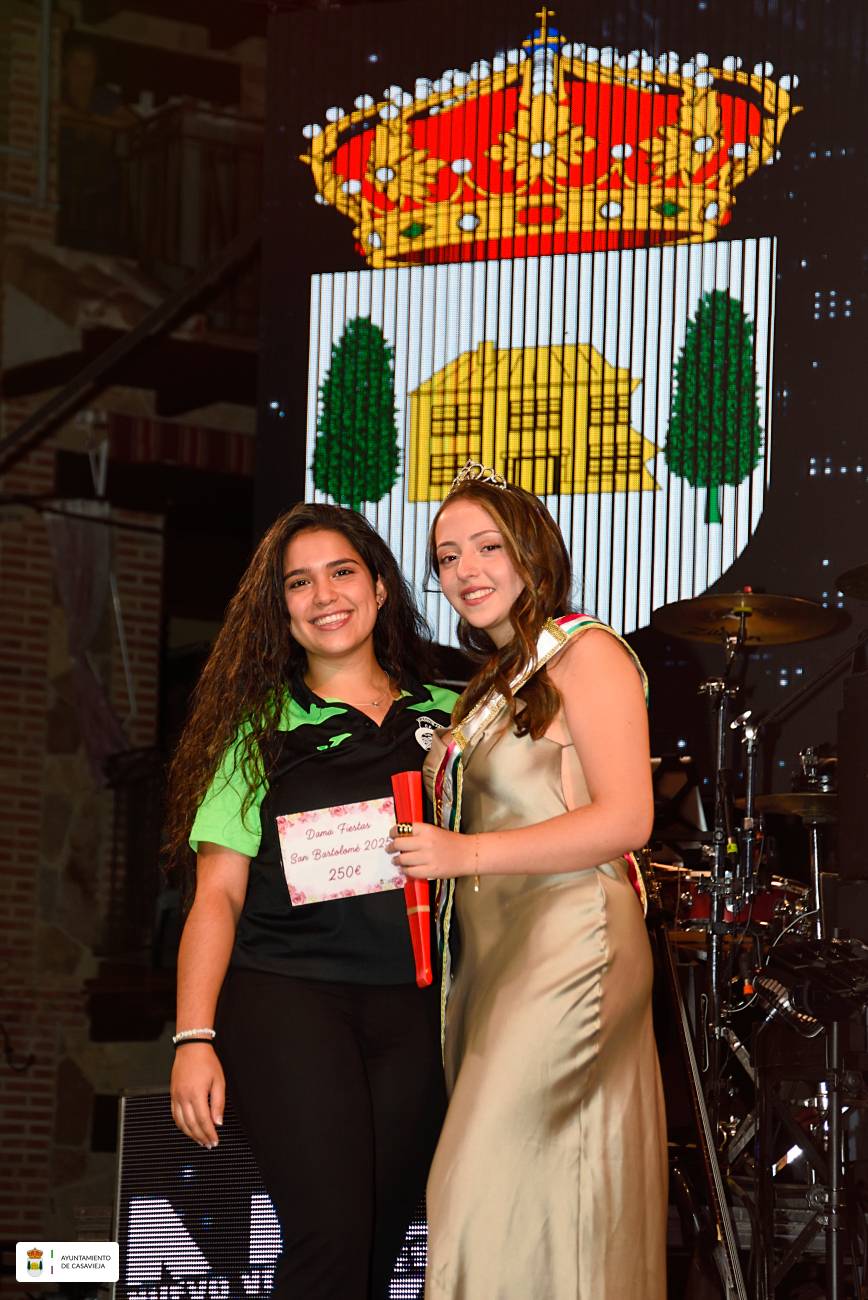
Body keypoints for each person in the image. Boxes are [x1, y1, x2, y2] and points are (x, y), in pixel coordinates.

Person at [387, 464, 668, 1300]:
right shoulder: (491, 683)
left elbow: (629, 819)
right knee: (529, 1203)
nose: (464, 570)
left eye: (486, 547)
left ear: (531, 552)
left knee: (477, 1187)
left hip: (570, 941)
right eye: (446, 557)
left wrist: (462, 855)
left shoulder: (587, 651)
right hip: (496, 956)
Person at [165, 502, 458, 1300]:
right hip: (288, 995)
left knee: (374, 1247)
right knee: (330, 1238)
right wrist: (193, 1036)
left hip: (420, 1010)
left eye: (341, 572)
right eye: (299, 583)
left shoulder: (453, 716)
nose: (324, 595)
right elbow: (217, 894)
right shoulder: (257, 729)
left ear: (380, 588)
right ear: (282, 609)